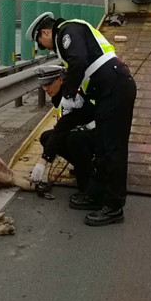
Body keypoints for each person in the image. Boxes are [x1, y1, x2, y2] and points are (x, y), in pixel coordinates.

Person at [26, 11, 137, 226]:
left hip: (115, 87)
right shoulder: (70, 36)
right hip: (107, 90)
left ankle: (114, 207)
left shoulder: (68, 31)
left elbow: (78, 62)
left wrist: (68, 94)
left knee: (114, 149)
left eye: (42, 42)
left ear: (46, 32)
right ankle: (96, 196)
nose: (46, 48)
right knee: (105, 148)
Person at [29, 64, 100, 207]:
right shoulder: (60, 93)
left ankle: (88, 190)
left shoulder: (72, 95)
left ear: (60, 79)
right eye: (43, 85)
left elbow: (63, 128)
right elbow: (60, 129)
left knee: (74, 140)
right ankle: (83, 166)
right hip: (83, 132)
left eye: (49, 84)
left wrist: (43, 161)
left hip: (99, 135)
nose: (45, 89)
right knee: (46, 137)